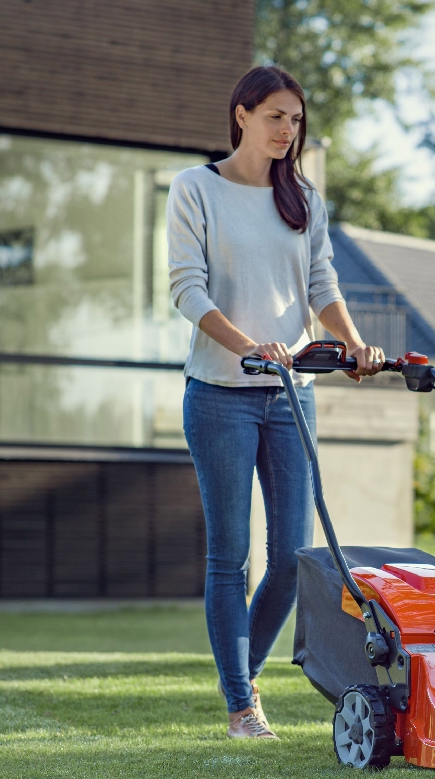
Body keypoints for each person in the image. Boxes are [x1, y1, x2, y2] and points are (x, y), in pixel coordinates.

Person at [168, 66, 385, 739]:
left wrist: (354, 343)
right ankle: (242, 706)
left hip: (293, 397)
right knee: (230, 556)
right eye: (275, 117)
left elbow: (322, 283)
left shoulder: (304, 199)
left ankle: (241, 674)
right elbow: (188, 289)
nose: (288, 130)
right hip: (220, 397)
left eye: (296, 120)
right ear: (242, 114)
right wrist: (248, 346)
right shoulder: (196, 188)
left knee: (294, 558)